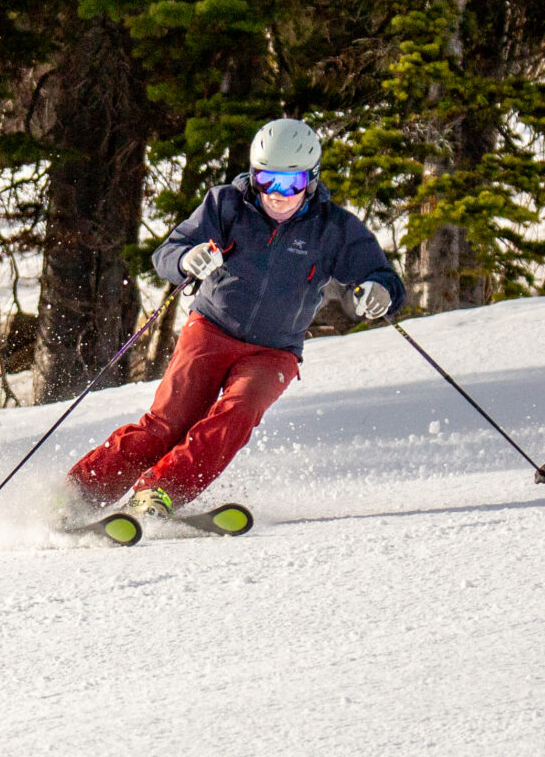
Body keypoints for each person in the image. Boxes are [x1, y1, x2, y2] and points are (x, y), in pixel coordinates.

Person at [66, 117, 406, 522]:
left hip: (274, 351)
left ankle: (159, 492)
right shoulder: (226, 204)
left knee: (236, 414)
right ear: (253, 175)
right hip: (210, 330)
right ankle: (78, 493)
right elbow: (168, 253)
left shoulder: (331, 229)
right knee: (167, 425)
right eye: (267, 181)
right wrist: (187, 260)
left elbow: (381, 276)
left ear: (311, 181)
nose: (278, 196)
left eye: (291, 184)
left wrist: (379, 292)